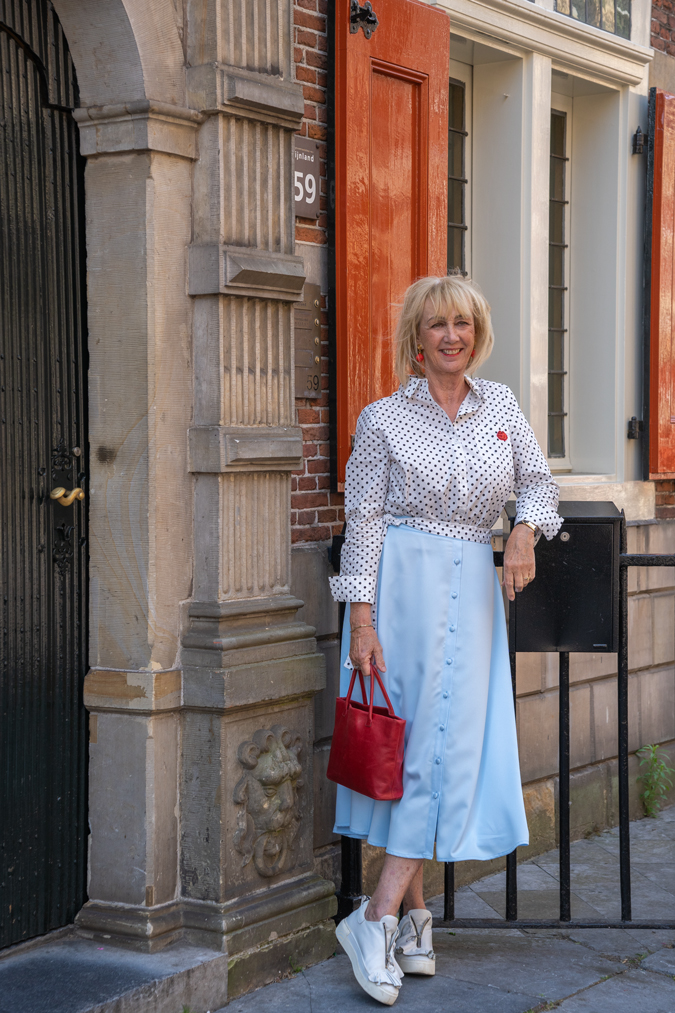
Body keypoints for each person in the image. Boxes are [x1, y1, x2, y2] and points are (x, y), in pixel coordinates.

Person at [329, 274, 563, 1006]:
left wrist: (523, 527)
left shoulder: (502, 407)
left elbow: (539, 484)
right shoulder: (382, 419)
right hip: (401, 591)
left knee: (441, 744)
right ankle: (375, 918)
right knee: (418, 746)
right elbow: (361, 520)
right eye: (435, 324)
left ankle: (411, 920)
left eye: (461, 323)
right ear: (416, 337)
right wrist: (361, 621)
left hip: (473, 582)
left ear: (477, 332)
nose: (450, 335)